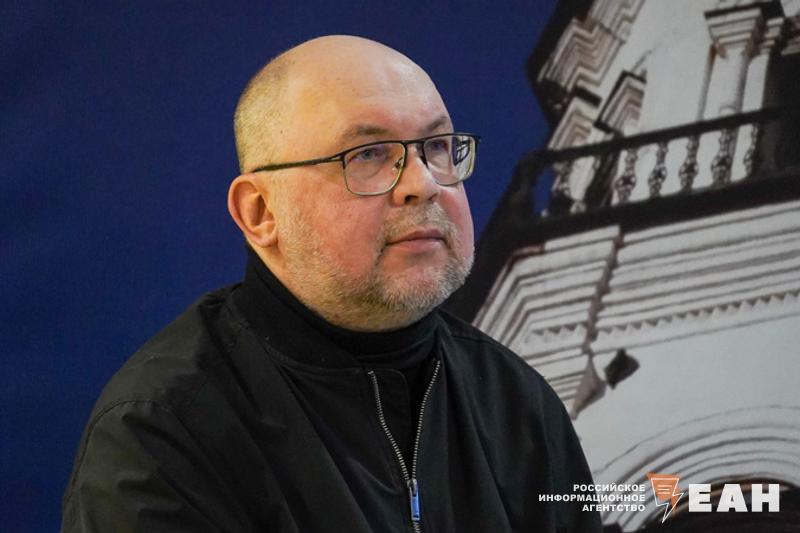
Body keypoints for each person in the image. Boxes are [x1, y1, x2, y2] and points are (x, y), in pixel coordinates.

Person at [61, 35, 601, 532]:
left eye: (437, 147)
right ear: (260, 213)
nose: (422, 183)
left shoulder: (517, 401)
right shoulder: (165, 429)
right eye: (368, 155)